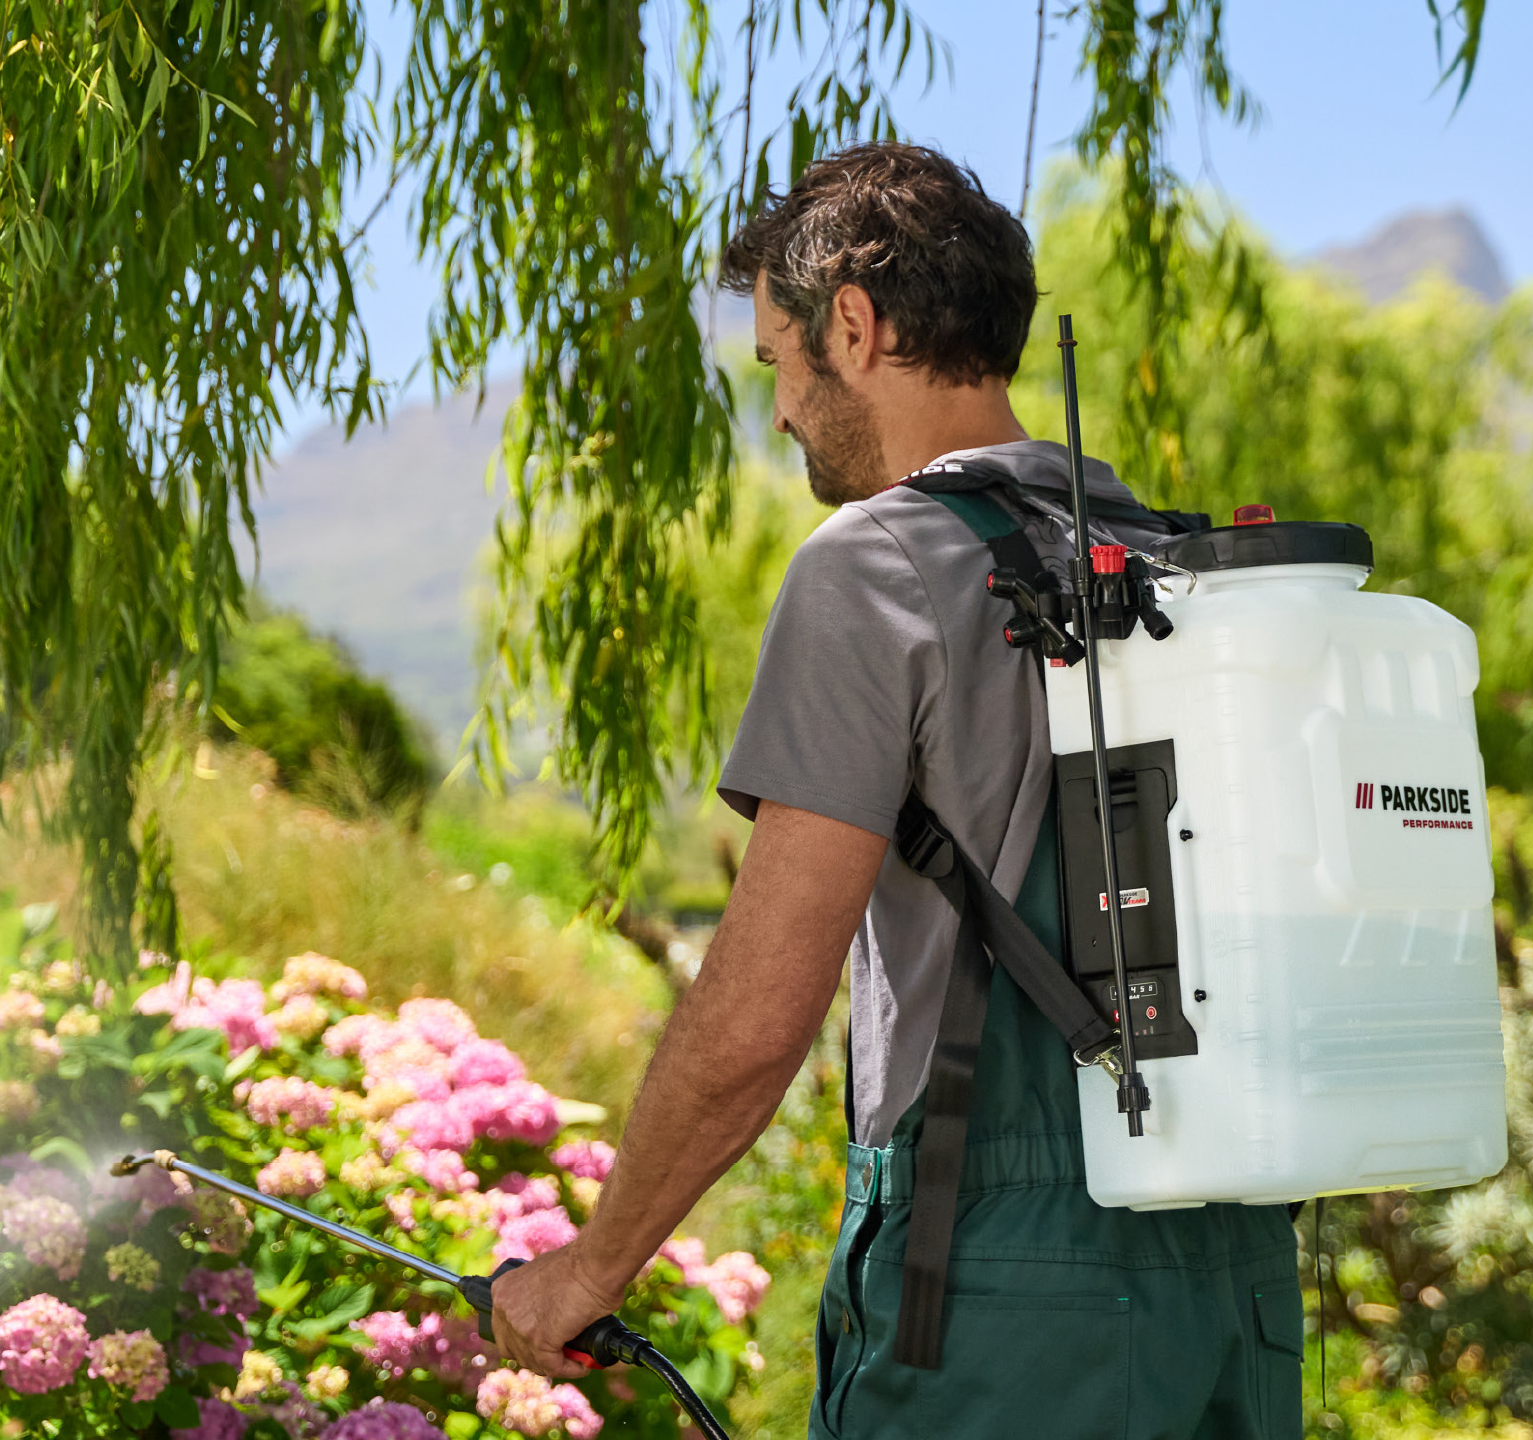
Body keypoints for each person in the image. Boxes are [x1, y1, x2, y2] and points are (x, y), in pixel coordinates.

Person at [491, 142, 1300, 1438]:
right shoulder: (1168, 565)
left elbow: (758, 1014)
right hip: (1236, 1271)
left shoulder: (874, 567)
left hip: (1001, 1302)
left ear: (853, 329)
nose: (781, 414)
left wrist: (591, 1268)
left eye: (778, 364)